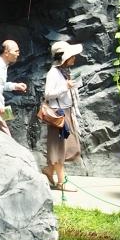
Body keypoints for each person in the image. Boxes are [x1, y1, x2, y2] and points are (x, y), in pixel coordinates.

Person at [42, 40, 83, 190]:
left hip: (66, 112)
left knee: (65, 148)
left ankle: (49, 170)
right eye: (72, 55)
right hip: (58, 115)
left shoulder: (63, 71)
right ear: (64, 57)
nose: (74, 58)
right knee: (59, 149)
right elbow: (48, 94)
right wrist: (65, 86)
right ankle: (61, 182)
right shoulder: (53, 73)